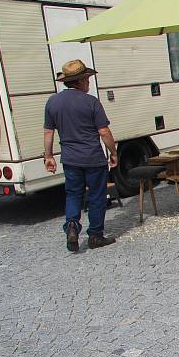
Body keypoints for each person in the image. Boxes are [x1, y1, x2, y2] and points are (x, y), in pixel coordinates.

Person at [43, 59, 118, 252]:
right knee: (96, 197)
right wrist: (113, 152)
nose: (89, 82)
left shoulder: (53, 102)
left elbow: (48, 132)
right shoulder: (91, 102)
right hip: (93, 157)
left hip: (70, 158)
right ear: (81, 80)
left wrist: (49, 156)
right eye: (87, 79)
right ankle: (95, 235)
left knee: (73, 194)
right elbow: (104, 131)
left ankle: (72, 226)